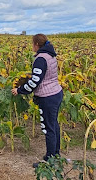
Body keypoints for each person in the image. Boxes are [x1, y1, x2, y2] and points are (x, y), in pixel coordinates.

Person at [12, 34, 63, 167]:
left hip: (48, 97)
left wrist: (20, 90)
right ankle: (55, 155)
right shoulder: (51, 55)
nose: (31, 46)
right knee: (54, 125)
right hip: (56, 92)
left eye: (32, 43)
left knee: (49, 128)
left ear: (36, 44)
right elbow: (46, 75)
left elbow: (35, 81)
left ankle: (50, 161)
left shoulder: (41, 59)